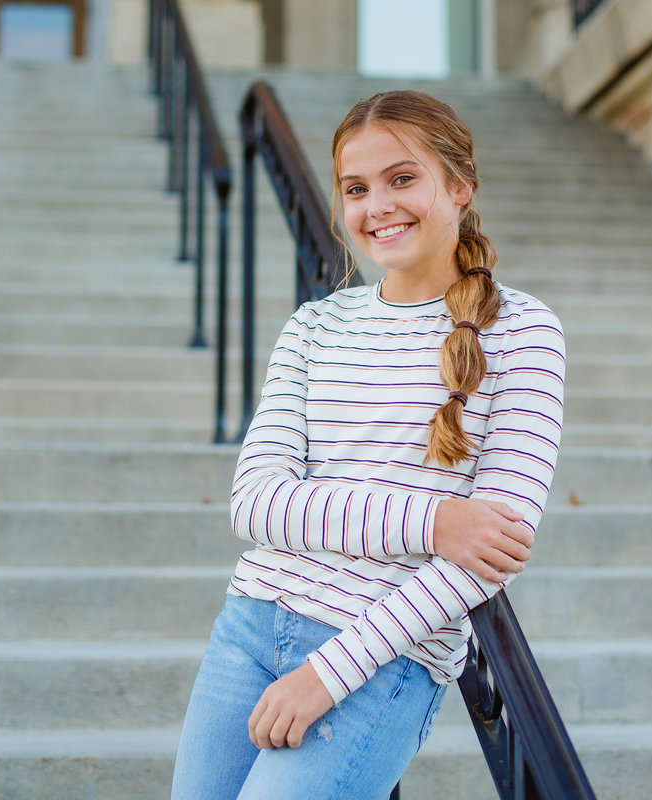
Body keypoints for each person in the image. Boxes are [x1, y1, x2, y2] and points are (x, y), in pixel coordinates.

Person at [170, 90, 566, 800]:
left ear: (460, 185)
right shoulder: (314, 327)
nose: (377, 205)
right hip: (250, 628)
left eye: (402, 178)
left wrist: (332, 671)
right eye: (356, 189)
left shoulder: (524, 331)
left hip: (386, 657)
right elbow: (256, 505)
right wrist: (433, 522)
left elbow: (490, 553)